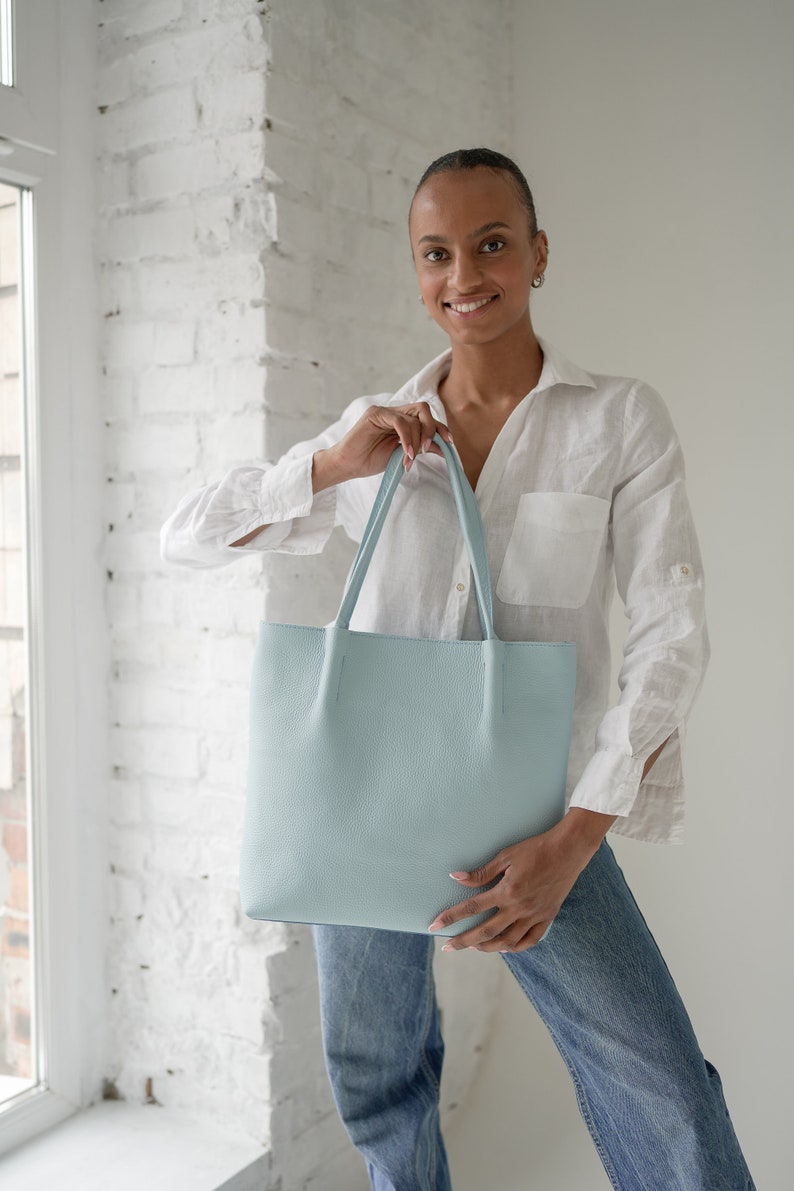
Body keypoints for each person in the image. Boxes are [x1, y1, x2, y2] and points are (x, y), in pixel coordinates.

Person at [160, 148, 754, 1190]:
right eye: (435, 253)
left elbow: (672, 630)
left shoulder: (616, 421)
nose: (463, 276)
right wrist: (330, 464)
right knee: (379, 1080)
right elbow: (186, 540)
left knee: (658, 1080)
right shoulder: (375, 434)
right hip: (362, 805)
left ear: (536, 254)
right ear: (415, 267)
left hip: (537, 820)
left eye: (490, 244)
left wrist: (576, 839)